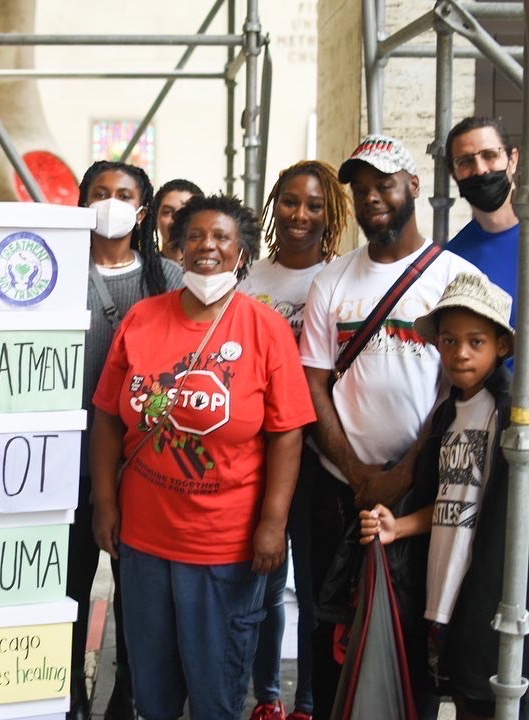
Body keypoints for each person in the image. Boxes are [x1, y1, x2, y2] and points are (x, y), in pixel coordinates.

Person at [91, 193, 315, 720]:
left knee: (218, 693)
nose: (206, 247)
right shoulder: (143, 318)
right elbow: (106, 415)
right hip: (144, 543)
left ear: (241, 252)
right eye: (195, 236)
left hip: (224, 548)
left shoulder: (265, 329)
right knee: (153, 690)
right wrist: (105, 502)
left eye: (221, 238)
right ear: (179, 247)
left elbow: (287, 434)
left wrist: (272, 523)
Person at [298, 134, 480, 719]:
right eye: (362, 188)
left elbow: (455, 395)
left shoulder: (452, 277)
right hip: (338, 491)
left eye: (385, 183)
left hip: (419, 495)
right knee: (331, 636)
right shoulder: (332, 281)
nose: (372, 196)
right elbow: (314, 385)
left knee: (408, 641)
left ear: (414, 186)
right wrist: (356, 473)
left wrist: (401, 475)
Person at [360, 272, 523, 720]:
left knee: (487, 701)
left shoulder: (512, 417)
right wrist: (400, 526)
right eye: (449, 341)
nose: (460, 353)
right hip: (442, 591)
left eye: (475, 342)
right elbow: (451, 503)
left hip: (485, 596)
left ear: (501, 346)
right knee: (461, 700)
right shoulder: (448, 414)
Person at [68, 160, 183, 720]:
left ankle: (130, 693)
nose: (110, 203)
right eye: (99, 193)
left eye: (123, 195)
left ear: (143, 210)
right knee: (68, 587)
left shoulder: (170, 281)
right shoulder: (55, 272)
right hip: (68, 465)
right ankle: (67, 691)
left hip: (145, 470)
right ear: (81, 200)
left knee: (142, 597)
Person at [238, 160, 351, 720]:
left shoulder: (336, 280)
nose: (300, 214)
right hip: (254, 452)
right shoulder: (249, 280)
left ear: (329, 213)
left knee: (309, 588)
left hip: (315, 453)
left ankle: (307, 700)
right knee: (261, 582)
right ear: (273, 205)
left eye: (314, 205)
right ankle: (268, 696)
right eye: (289, 201)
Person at [444, 117, 520, 330]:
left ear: (512, 160)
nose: (480, 169)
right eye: (465, 161)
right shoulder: (452, 260)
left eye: (490, 155)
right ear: (453, 174)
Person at [152, 178, 203, 264]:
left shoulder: (210, 271)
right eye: (167, 212)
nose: (176, 220)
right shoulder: (144, 271)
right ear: (156, 219)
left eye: (185, 212)